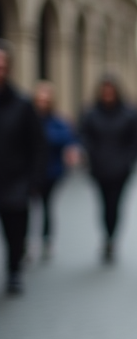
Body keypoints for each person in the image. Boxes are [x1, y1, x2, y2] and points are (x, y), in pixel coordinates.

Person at [79, 76, 137, 264]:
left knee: (115, 205)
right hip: (99, 168)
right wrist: (90, 156)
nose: (108, 95)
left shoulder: (128, 114)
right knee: (104, 205)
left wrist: (128, 162)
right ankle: (107, 236)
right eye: (104, 91)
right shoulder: (91, 114)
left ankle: (111, 238)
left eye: (111, 91)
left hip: (120, 170)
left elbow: (135, 140)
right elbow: (85, 137)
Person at [0, 40, 45, 295]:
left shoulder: (22, 105)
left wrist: (33, 181)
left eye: (3, 65)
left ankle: (14, 271)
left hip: (15, 181)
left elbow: (37, 145)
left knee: (15, 231)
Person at [30, 81, 77, 261]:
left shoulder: (58, 121)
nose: (43, 103)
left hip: (51, 172)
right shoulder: (29, 119)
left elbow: (67, 139)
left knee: (46, 206)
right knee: (26, 207)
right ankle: (26, 242)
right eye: (40, 100)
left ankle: (46, 240)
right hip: (30, 173)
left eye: (46, 100)